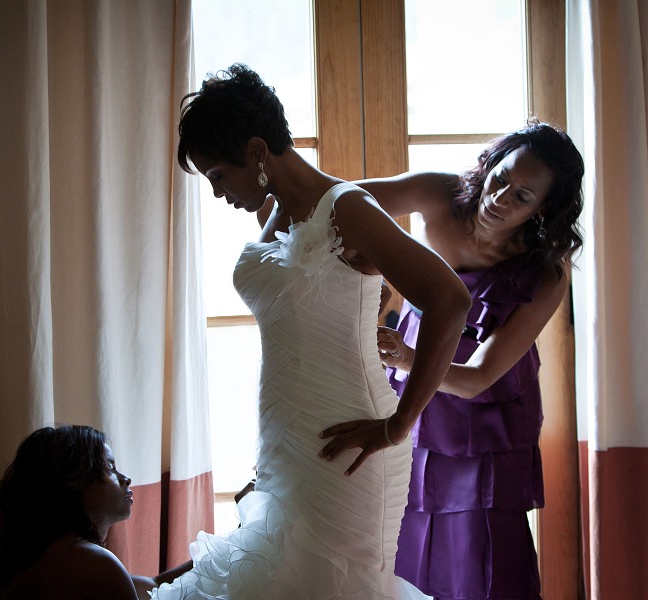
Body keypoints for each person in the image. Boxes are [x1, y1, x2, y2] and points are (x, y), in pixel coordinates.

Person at [150, 64, 470, 599]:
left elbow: (449, 299)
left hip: (350, 440)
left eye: (217, 176)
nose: (218, 192)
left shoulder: (349, 207)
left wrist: (397, 425)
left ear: (256, 151)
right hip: (286, 437)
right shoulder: (277, 215)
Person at [353, 122, 584, 600]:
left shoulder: (545, 273)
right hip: (411, 387)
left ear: (543, 210)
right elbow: (341, 204)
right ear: (490, 165)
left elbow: (479, 376)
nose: (501, 197)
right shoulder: (439, 194)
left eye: (523, 197)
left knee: (484, 552)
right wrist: (358, 276)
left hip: (484, 413)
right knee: (404, 525)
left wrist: (412, 358)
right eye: (501, 177)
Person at [0, 425, 190, 600]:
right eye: (109, 467)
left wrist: (218, 553)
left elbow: (154, 586)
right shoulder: (90, 562)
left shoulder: (56, 554)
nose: (125, 478)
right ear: (74, 479)